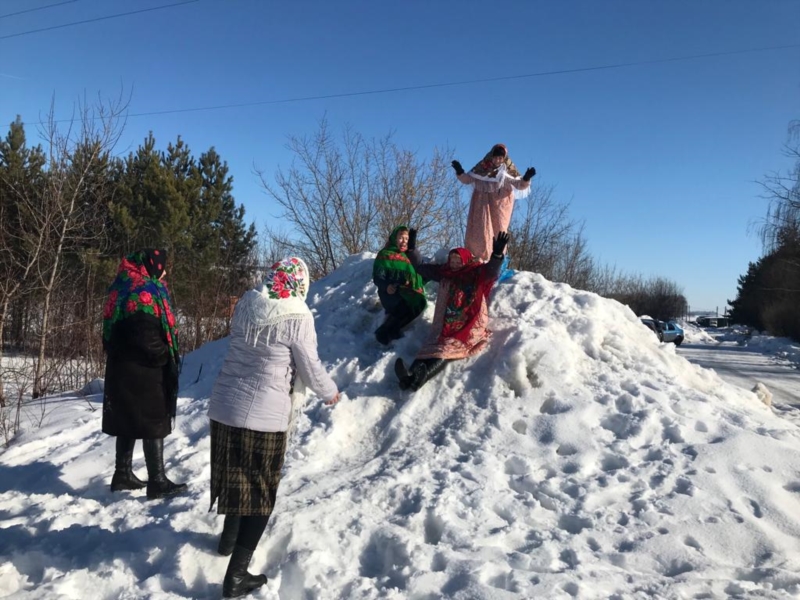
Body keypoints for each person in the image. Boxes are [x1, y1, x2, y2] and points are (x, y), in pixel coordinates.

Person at [207, 257, 340, 599]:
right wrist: (331, 392)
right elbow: (309, 367)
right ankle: (237, 574)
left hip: (224, 406)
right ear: (300, 282)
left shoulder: (248, 303)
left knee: (234, 473)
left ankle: (228, 538)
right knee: (261, 491)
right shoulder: (298, 316)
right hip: (263, 416)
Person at [102, 248, 187, 501]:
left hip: (121, 366)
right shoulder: (144, 291)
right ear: (153, 266)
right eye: (163, 266)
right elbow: (145, 334)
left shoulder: (124, 284)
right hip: (144, 369)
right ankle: (157, 481)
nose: (165, 271)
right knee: (154, 421)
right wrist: (164, 357)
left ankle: (122, 474)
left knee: (128, 417)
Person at [394, 232, 510, 391]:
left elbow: (491, 272)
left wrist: (496, 255)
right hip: (446, 324)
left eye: (458, 260)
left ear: (465, 260)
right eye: (452, 260)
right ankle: (409, 377)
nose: (454, 263)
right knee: (429, 348)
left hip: (467, 324)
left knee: (445, 349)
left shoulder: (476, 273)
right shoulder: (444, 272)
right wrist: (412, 249)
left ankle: (420, 378)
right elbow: (420, 268)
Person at [451, 144, 535, 262]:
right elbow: (467, 179)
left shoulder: (507, 172)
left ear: (504, 158)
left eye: (500, 158)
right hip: (481, 204)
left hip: (499, 207)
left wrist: (526, 178)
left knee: (499, 232)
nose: (497, 160)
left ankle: (496, 259)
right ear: (491, 156)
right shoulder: (482, 168)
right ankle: (476, 258)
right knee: (480, 231)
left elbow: (519, 185)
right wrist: (459, 171)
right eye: (496, 157)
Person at [372, 225, 427, 345]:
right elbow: (378, 278)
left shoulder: (409, 256)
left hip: (408, 291)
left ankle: (390, 330)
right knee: (404, 305)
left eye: (407, 239)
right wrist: (387, 286)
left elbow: (422, 270)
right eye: (401, 238)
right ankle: (385, 332)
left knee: (417, 304)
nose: (404, 241)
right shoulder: (385, 255)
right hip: (390, 293)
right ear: (394, 238)